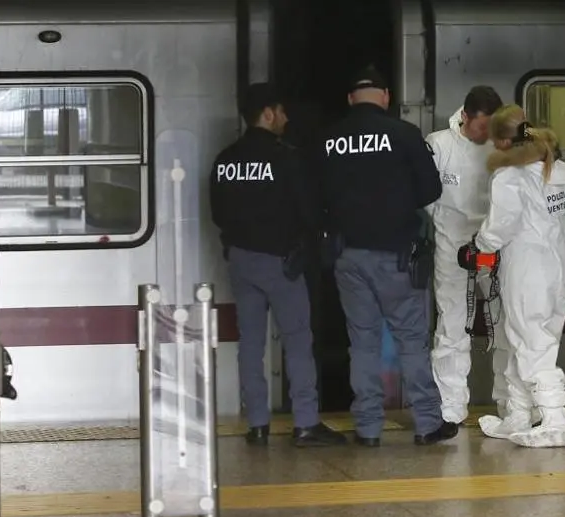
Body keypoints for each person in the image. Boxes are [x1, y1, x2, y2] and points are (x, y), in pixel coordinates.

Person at [317, 66, 459, 447]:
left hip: (348, 255)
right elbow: (430, 190)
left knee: (361, 343)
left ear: (350, 99)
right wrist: (395, 205)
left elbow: (316, 195)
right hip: (396, 255)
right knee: (411, 340)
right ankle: (428, 424)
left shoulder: (329, 140)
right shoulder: (403, 134)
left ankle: (367, 428)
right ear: (384, 97)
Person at [209, 82, 347, 448]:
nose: (286, 118)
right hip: (281, 261)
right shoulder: (286, 157)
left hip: (240, 260)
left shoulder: (225, 160)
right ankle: (305, 423)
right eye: (282, 111)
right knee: (298, 340)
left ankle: (256, 423)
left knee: (251, 343)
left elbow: (217, 213)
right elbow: (307, 211)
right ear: (267, 114)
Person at [459, 104, 565, 448]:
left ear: (503, 142)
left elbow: (499, 230)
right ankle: (518, 415)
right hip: (562, 267)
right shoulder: (562, 171)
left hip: (528, 271)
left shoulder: (509, 178)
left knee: (532, 345)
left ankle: (555, 420)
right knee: (526, 341)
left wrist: (476, 247)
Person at [425, 86, 510, 425]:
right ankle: (451, 408)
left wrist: (490, 237)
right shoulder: (438, 144)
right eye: (481, 128)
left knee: (506, 324)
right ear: (465, 116)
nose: (485, 135)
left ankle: (512, 404)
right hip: (452, 246)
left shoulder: (503, 146)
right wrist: (448, 226)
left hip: (494, 246)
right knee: (451, 326)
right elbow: (427, 195)